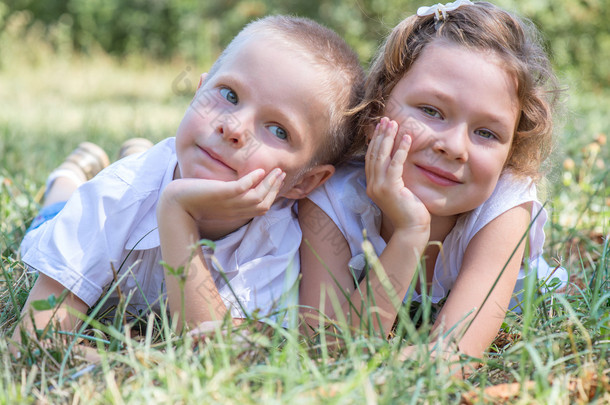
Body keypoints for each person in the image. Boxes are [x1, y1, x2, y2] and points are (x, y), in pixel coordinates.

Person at [13, 15, 365, 345]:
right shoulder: (113, 198)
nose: (234, 128)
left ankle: (133, 150)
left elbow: (220, 353)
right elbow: (33, 340)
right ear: (198, 91)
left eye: (277, 130)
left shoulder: (276, 243)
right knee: (54, 211)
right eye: (229, 95)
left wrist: (176, 211)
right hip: (71, 216)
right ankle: (67, 175)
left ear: (305, 182)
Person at [298, 0, 567, 361]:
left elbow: (453, 355)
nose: (454, 147)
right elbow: (329, 349)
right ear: (375, 111)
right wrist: (409, 234)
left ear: (511, 152)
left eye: (486, 133)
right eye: (431, 111)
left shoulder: (505, 205)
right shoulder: (331, 202)